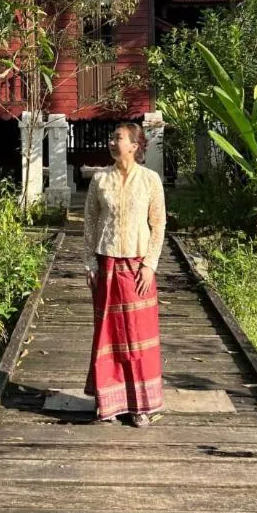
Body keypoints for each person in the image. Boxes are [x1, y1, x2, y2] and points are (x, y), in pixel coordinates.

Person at [83, 122, 166, 426]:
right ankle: (109, 403)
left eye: (118, 138)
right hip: (107, 264)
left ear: (134, 145)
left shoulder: (150, 180)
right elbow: (90, 223)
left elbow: (159, 223)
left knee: (137, 335)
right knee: (108, 334)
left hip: (137, 266)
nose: (112, 142)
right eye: (112, 137)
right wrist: (90, 264)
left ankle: (141, 405)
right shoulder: (100, 180)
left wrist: (150, 265)